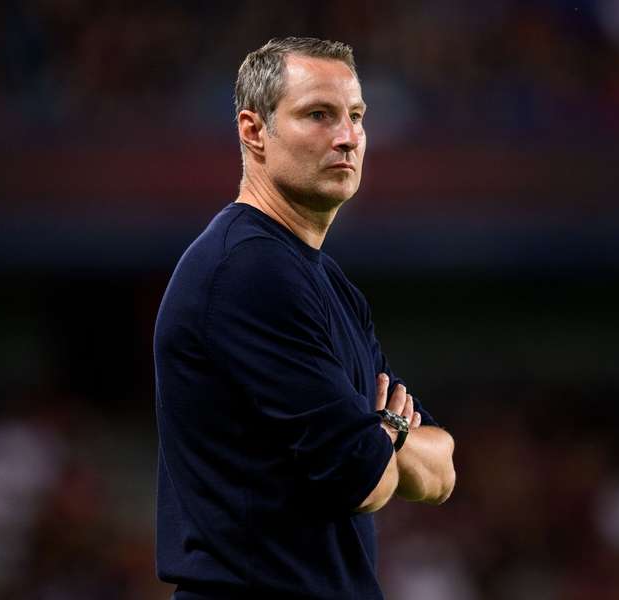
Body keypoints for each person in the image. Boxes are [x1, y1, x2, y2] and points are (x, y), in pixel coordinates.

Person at [153, 37, 456, 600]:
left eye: (356, 116)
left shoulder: (326, 281)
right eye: (318, 115)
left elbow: (442, 473)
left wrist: (383, 437)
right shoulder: (248, 271)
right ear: (253, 131)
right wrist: (391, 433)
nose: (348, 137)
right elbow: (364, 479)